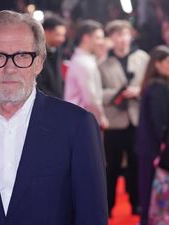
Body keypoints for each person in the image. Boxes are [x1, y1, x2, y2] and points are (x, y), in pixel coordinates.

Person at [0, 10, 108, 225]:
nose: (10, 68)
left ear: (38, 63)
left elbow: (91, 216)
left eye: (22, 56)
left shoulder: (77, 125)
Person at [98, 20, 150, 216]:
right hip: (113, 122)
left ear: (131, 36)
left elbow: (151, 85)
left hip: (137, 120)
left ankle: (137, 203)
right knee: (111, 167)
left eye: (125, 34)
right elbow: (97, 93)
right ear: (110, 38)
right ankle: (108, 206)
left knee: (137, 166)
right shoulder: (102, 63)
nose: (122, 39)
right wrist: (117, 93)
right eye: (117, 35)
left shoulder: (142, 58)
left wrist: (138, 90)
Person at [135, 45, 169, 225]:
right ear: (158, 64)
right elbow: (161, 124)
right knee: (151, 194)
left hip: (149, 149)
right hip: (154, 151)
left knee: (148, 193)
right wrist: (162, 149)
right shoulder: (158, 88)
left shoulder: (154, 86)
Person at [64, 20, 109, 129]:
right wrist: (101, 117)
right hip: (82, 121)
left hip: (79, 119)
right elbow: (90, 99)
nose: (102, 42)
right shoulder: (84, 63)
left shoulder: (82, 60)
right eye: (98, 38)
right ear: (86, 38)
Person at [36, 14, 67, 99]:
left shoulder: (58, 50)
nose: (62, 39)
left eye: (63, 35)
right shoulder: (36, 52)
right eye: (58, 35)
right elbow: (38, 85)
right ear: (46, 32)